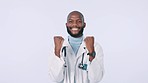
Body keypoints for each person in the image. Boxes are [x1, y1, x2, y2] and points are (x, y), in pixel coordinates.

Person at [48, 11, 104, 83]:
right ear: (66, 25)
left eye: (79, 21)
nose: (75, 24)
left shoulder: (95, 47)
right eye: (71, 21)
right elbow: (55, 79)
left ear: (84, 24)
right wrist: (57, 52)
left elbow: (96, 79)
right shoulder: (56, 46)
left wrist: (91, 52)